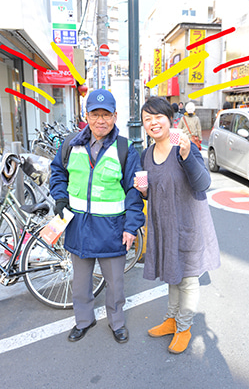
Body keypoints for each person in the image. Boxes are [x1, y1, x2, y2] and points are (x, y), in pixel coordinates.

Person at [50, 89, 145, 344]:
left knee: (115, 284)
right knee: (80, 283)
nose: (100, 120)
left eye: (106, 115)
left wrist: (131, 227)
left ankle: (117, 323)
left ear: (115, 116)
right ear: (86, 115)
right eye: (95, 114)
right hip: (78, 227)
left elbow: (135, 193)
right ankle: (84, 320)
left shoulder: (126, 149)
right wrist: (59, 198)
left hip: (112, 230)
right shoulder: (71, 144)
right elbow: (57, 172)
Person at [134, 96, 220, 354]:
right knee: (172, 276)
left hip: (188, 224)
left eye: (158, 116)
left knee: (189, 280)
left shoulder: (183, 145)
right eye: (147, 119)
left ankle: (184, 327)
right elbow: (152, 191)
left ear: (169, 119)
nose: (153, 122)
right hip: (163, 226)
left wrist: (185, 155)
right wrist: (144, 189)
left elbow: (203, 183)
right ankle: (171, 320)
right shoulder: (146, 154)